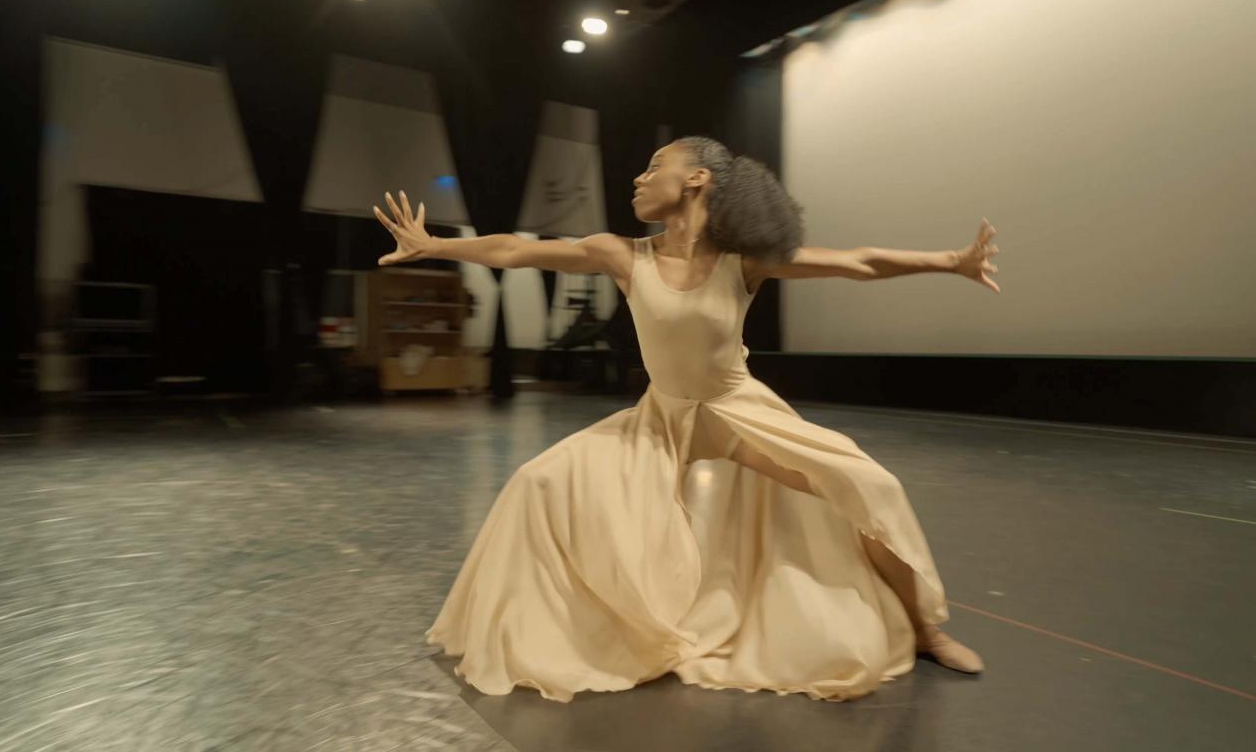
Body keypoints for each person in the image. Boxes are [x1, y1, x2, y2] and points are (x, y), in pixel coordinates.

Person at [373, 136, 1000, 703]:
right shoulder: (622, 254)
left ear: (697, 179)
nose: (639, 180)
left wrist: (953, 260)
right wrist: (435, 245)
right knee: (538, 480)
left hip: (737, 412)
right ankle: (571, 623)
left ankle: (925, 631)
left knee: (871, 486)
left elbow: (857, 262)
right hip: (660, 419)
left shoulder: (742, 261)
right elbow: (518, 249)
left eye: (654, 168)